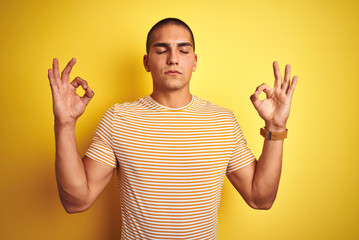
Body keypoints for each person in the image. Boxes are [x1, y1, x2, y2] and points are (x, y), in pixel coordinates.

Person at [48, 18, 298, 239]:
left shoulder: (222, 121)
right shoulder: (119, 119)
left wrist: (276, 126)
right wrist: (65, 124)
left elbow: (260, 198)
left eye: (183, 50)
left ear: (195, 61)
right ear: (146, 62)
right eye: (161, 49)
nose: (173, 58)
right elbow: (76, 202)